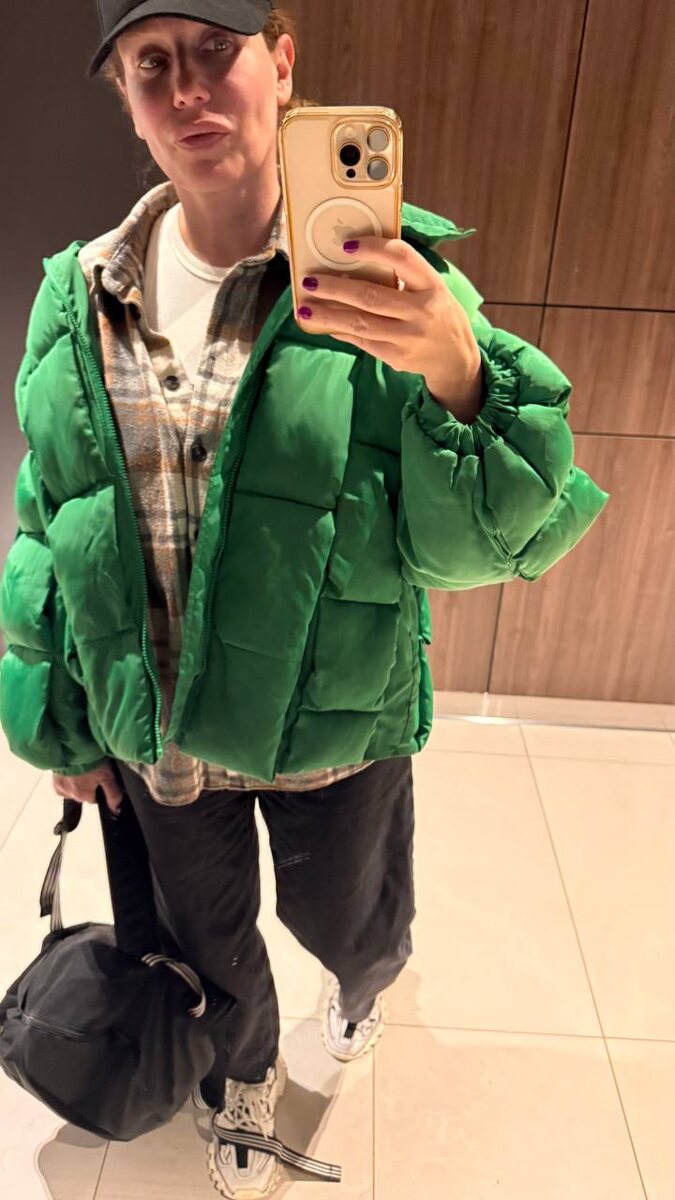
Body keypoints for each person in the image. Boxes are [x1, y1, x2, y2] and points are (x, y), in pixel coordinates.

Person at [0, 2, 611, 1197]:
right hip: (161, 735)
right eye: (151, 66)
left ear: (281, 64)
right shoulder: (78, 296)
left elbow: (491, 540)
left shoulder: (393, 281)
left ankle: (363, 992)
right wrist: (62, 723)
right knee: (212, 943)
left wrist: (460, 371)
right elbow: (52, 516)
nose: (187, 90)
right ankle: (245, 1076)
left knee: (354, 924)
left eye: (216, 51)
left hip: (335, 733)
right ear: (125, 98)